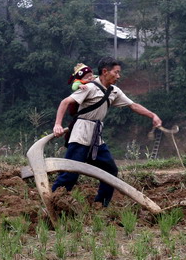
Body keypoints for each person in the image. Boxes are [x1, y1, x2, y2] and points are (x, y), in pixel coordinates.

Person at [52, 56, 162, 207]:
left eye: (119, 73)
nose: (118, 76)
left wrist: (152, 115)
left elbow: (133, 105)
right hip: (80, 134)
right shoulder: (89, 87)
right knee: (70, 173)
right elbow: (65, 102)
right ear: (105, 71)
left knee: (110, 170)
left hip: (96, 137)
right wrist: (57, 124)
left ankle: (101, 205)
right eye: (116, 72)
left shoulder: (114, 91)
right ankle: (51, 203)